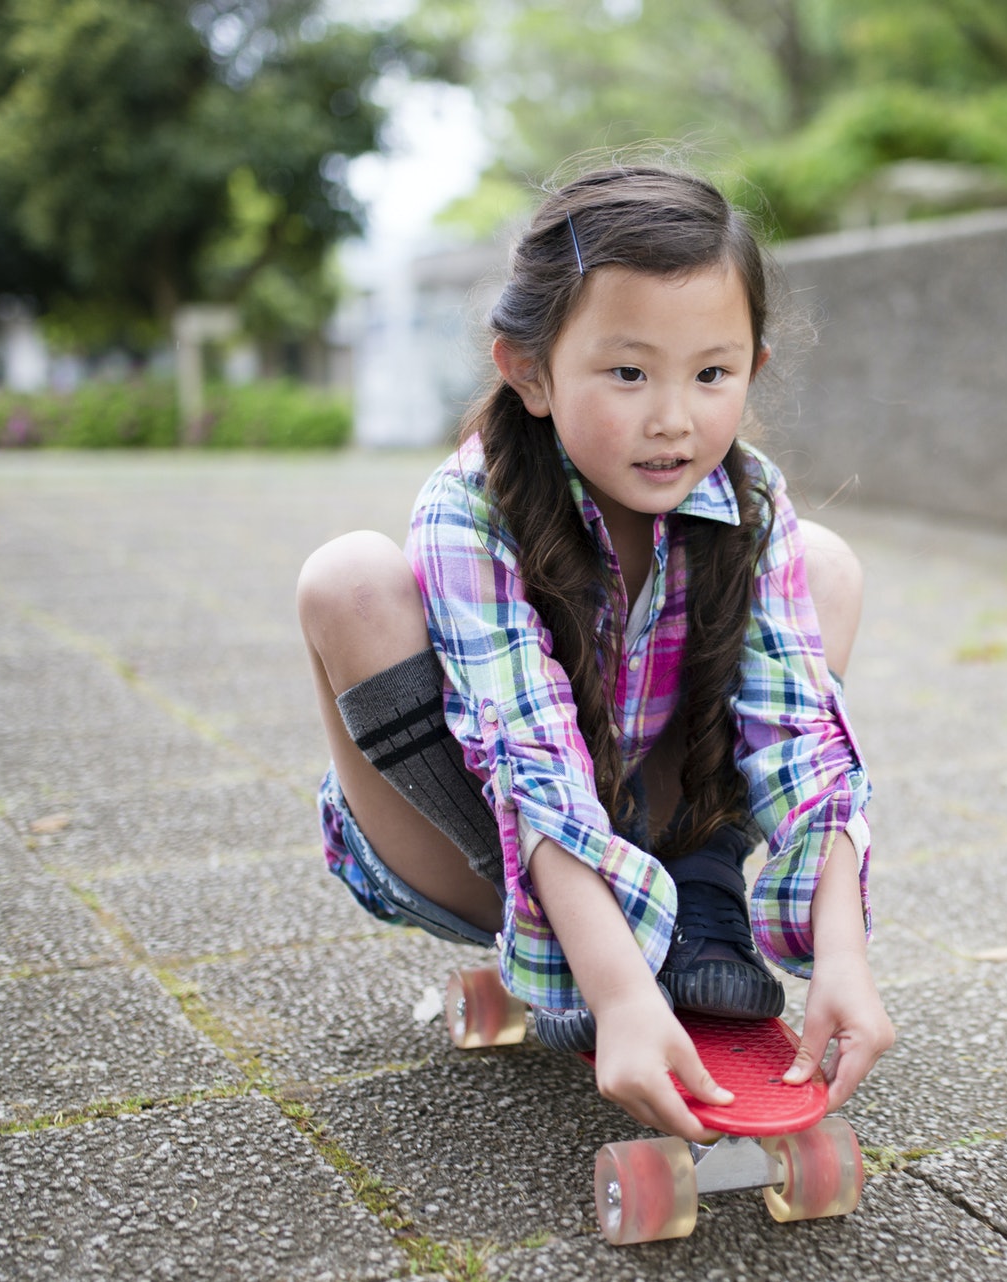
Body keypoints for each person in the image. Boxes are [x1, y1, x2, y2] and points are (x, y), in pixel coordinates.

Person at [294, 164, 893, 1145]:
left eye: (712, 373)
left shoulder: (747, 498)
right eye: (629, 372)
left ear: (756, 363)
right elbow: (523, 756)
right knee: (348, 575)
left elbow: (799, 742)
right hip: (466, 843)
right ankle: (582, 942)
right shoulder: (469, 504)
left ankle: (696, 887)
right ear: (529, 370)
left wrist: (843, 956)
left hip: (641, 811)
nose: (673, 417)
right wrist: (612, 988)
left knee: (824, 563)